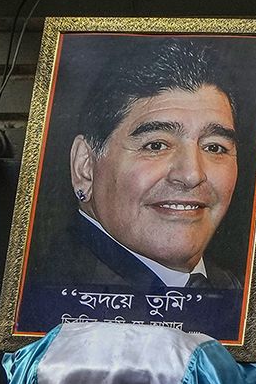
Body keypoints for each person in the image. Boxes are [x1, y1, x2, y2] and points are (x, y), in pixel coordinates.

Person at [49, 39, 244, 292]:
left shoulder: (240, 294)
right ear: (84, 166)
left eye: (214, 147)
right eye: (156, 146)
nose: (192, 174)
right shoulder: (49, 301)